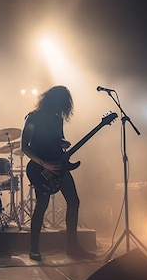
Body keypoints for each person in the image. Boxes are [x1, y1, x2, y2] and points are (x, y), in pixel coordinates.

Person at [21, 85, 93, 261]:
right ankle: (34, 248)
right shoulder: (33, 118)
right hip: (40, 168)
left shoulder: (58, 119)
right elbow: (25, 146)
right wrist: (44, 163)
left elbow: (57, 140)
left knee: (73, 201)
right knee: (42, 204)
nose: (63, 107)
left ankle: (72, 247)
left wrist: (62, 144)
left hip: (59, 165)